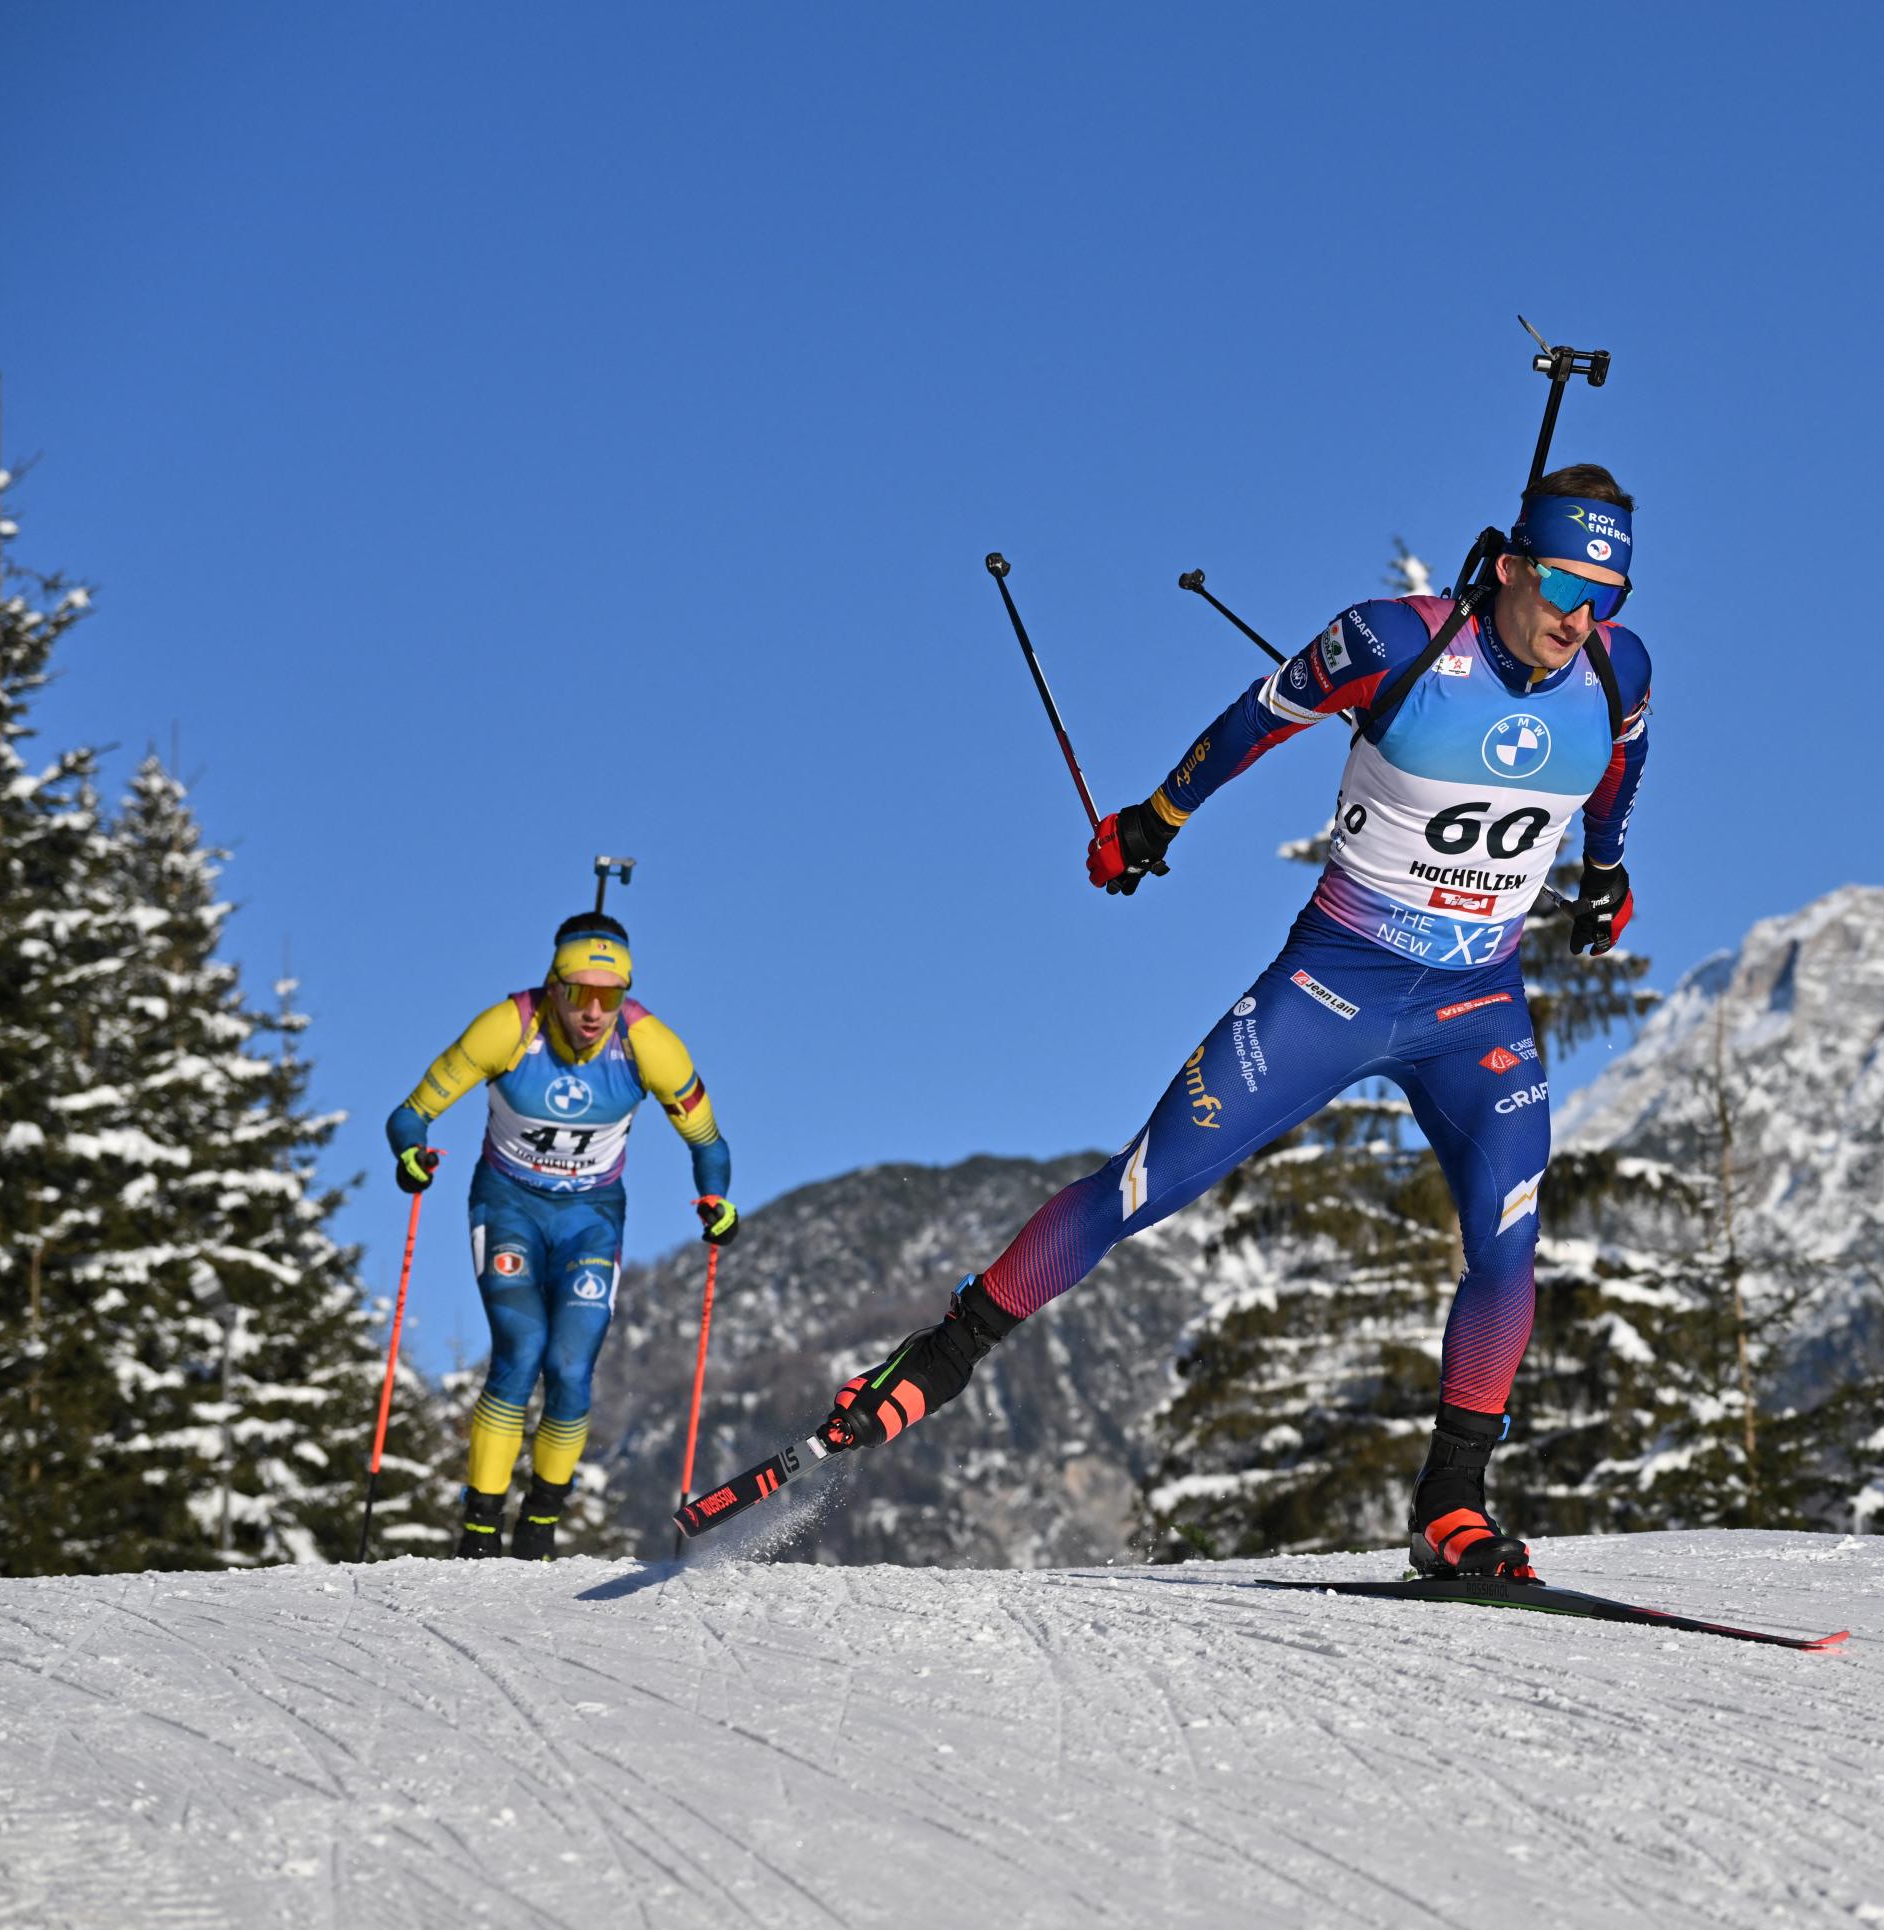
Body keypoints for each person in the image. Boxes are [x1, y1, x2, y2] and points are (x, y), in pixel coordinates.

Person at [817, 466, 1651, 1579]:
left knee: (1506, 1247)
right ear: (1508, 564)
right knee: (1142, 1185)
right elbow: (1262, 718)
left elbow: (1623, 759)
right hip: (1335, 987)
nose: (1580, 616)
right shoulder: (1393, 641)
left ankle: (1453, 1504)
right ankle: (934, 1357)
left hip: (1478, 1008)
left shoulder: (1613, 665)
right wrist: (1156, 819)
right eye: (1561, 583)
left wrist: (1606, 869)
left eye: (1609, 592)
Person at [386, 911, 739, 1558]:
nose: (595, 1011)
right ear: (553, 986)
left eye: (612, 995)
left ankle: (541, 1525)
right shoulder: (508, 1030)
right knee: (521, 1348)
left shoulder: (649, 1045)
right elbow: (411, 1113)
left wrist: (717, 1199)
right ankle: (480, 1529)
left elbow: (709, 1141)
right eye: (580, 992)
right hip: (509, 1204)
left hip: (591, 1217)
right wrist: (411, 1153)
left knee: (571, 1367)